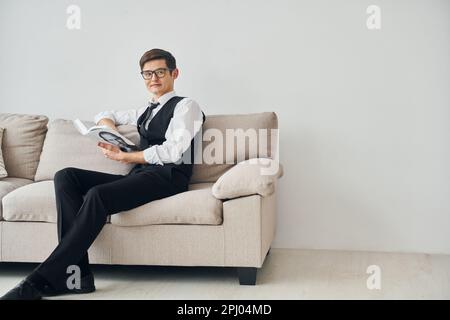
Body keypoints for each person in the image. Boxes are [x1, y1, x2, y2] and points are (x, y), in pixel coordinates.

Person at [1, 48, 205, 300]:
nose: (154, 78)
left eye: (160, 72)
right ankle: (79, 277)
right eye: (147, 73)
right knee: (66, 176)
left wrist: (127, 156)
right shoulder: (145, 110)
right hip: (141, 174)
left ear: (174, 73)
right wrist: (114, 135)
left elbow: (174, 152)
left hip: (169, 177)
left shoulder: (187, 106)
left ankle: (40, 280)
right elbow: (104, 115)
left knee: (97, 195)